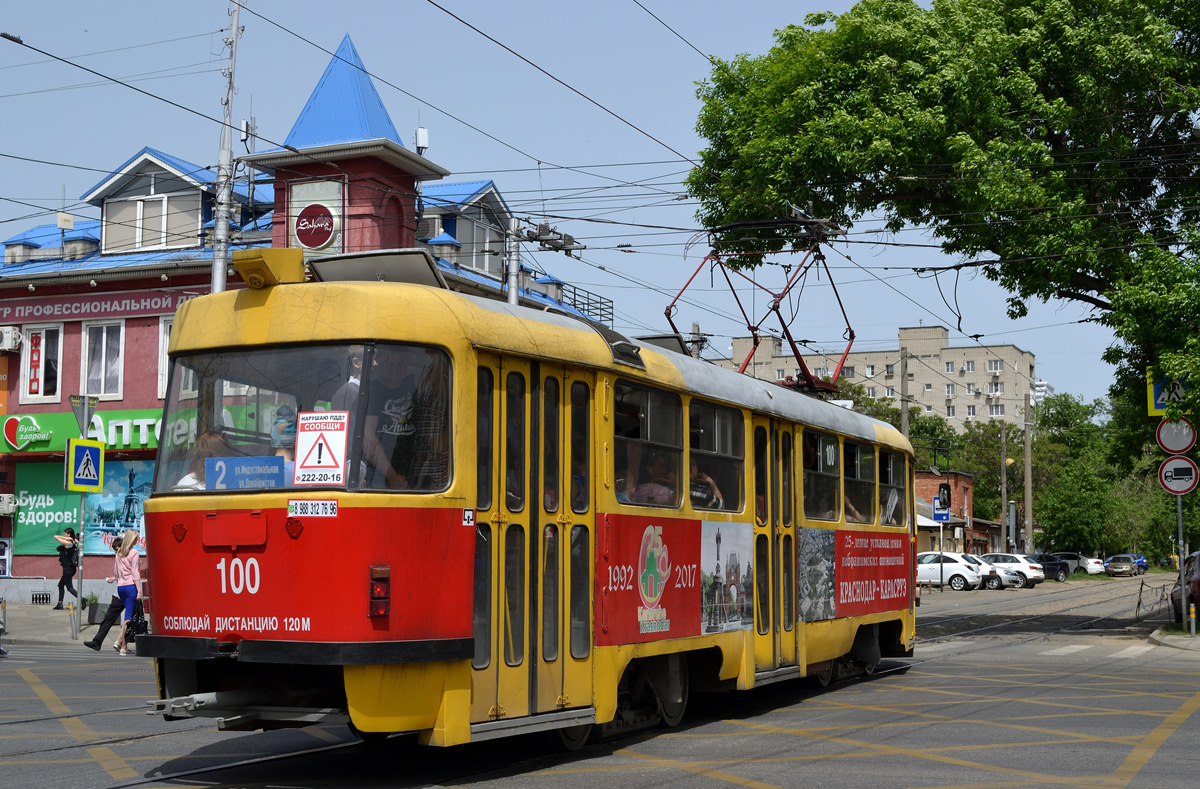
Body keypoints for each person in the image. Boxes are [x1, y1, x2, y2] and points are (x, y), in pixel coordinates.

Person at [362, 345, 417, 489]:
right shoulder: (373, 390)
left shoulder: (410, 388)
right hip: (379, 476)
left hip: (407, 472)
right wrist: (392, 476)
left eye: (400, 365)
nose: (395, 370)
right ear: (380, 362)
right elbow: (368, 437)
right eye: (390, 364)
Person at [84, 537, 127, 651]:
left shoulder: (131, 556)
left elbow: (132, 575)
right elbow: (120, 574)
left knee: (133, 620)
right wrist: (115, 578)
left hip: (130, 592)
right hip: (119, 594)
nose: (116, 552)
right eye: (114, 550)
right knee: (108, 618)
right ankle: (97, 642)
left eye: (117, 549)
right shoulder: (118, 558)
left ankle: (123, 644)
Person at [106, 529, 141, 656]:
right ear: (132, 540)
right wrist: (139, 590)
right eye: (136, 539)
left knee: (127, 615)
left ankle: (123, 645)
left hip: (120, 587)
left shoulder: (119, 553)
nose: (137, 541)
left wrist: (116, 580)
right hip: (131, 586)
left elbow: (116, 572)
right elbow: (135, 573)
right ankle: (121, 646)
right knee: (128, 617)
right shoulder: (134, 552)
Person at [52, 527, 80, 610]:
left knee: (70, 588)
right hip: (69, 568)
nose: (64, 535)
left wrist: (68, 538)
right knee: (61, 585)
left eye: (65, 534)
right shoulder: (73, 542)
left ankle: (82, 599)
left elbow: (55, 537)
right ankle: (60, 604)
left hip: (68, 569)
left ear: (69, 535)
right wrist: (70, 538)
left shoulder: (69, 543)